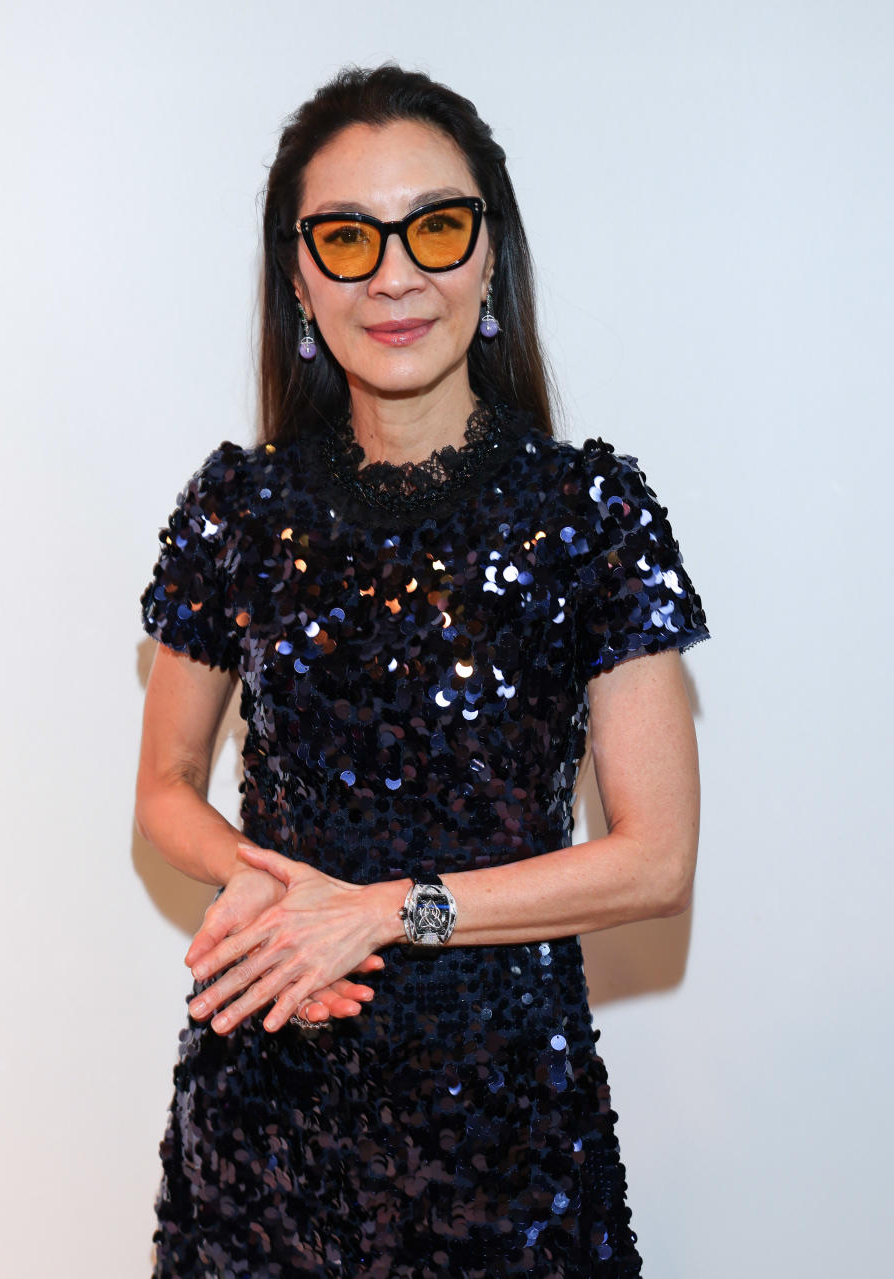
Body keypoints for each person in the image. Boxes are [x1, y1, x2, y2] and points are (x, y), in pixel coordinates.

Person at [136, 64, 709, 1279]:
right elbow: (165, 789)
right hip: (267, 1107)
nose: (395, 275)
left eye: (434, 227)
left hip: (506, 1138)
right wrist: (274, 899)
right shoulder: (237, 509)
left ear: (488, 253)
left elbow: (656, 859)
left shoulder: (590, 516)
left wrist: (383, 911)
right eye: (347, 238)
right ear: (297, 274)